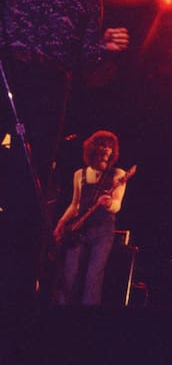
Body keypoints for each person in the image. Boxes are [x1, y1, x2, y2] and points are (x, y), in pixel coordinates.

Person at [0, 0, 129, 308]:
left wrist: (107, 48)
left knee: (30, 178)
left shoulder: (86, 2)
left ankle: (17, 285)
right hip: (8, 75)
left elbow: (86, 58)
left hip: (48, 88)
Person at [52, 130, 133, 305]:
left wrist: (109, 203)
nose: (106, 150)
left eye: (110, 147)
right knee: (69, 274)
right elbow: (75, 205)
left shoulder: (118, 174)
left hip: (103, 231)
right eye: (103, 145)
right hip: (79, 230)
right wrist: (61, 223)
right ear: (93, 149)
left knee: (93, 276)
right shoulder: (79, 175)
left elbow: (117, 204)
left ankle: (90, 316)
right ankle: (60, 313)